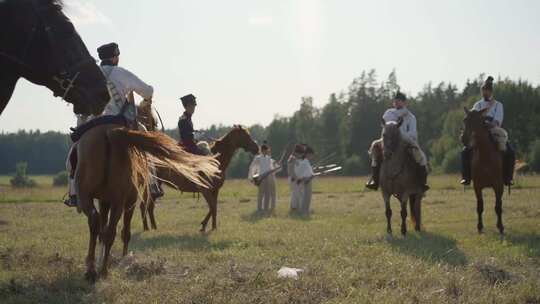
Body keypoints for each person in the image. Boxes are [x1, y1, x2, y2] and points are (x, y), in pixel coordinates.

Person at [64, 42, 154, 207]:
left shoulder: (89, 75)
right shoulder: (121, 73)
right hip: (118, 121)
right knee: (145, 143)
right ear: (115, 57)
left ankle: (74, 193)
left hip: (91, 125)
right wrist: (146, 101)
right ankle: (153, 184)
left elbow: (79, 104)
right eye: (117, 56)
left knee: (72, 156)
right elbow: (148, 91)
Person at [365, 91, 429, 192]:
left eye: (398, 101)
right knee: (374, 147)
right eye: (395, 101)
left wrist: (401, 135)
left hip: (405, 140)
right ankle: (375, 180)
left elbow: (413, 133)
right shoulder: (388, 113)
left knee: (420, 156)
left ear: (404, 102)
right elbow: (384, 129)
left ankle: (422, 182)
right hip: (388, 139)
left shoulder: (410, 117)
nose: (396, 103)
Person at [460, 76, 516, 186]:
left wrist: (488, 124)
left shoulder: (498, 105)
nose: (485, 93)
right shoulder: (477, 105)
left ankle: (508, 178)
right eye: (483, 90)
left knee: (510, 151)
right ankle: (466, 177)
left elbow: (497, 121)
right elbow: (472, 118)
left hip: (494, 129)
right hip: (479, 131)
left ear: (491, 92)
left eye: (487, 91)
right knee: (464, 151)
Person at [248, 141, 278, 212]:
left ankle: (266, 208)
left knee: (267, 194)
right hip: (261, 177)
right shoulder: (258, 158)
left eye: (266, 150)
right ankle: (259, 208)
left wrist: (276, 165)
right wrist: (251, 177)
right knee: (261, 194)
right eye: (265, 150)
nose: (266, 151)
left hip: (268, 177)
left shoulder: (269, 158)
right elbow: (252, 167)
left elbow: (272, 167)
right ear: (262, 150)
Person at [296, 145, 315, 215]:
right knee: (306, 197)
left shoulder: (304, 162)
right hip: (307, 181)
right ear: (308, 154)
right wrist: (311, 176)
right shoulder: (305, 162)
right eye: (311, 155)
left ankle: (305, 210)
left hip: (306, 180)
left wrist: (312, 175)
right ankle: (304, 211)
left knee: (306, 197)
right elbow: (307, 173)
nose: (312, 157)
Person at [287, 144, 304, 210]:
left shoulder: (293, 158)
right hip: (293, 178)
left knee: (296, 193)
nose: (301, 155)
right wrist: (296, 178)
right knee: (296, 193)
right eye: (300, 153)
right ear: (297, 153)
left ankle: (295, 207)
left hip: (294, 178)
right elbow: (291, 170)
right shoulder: (292, 159)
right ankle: (294, 207)